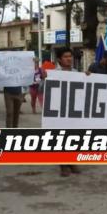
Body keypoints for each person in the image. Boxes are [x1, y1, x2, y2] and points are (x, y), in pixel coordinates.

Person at [44, 47, 81, 177]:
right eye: (65, 56)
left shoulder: (77, 72)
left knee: (73, 136)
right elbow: (45, 91)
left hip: (73, 110)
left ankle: (72, 161)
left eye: (70, 56)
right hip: (59, 111)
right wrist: (45, 79)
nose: (69, 59)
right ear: (59, 59)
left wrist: (88, 77)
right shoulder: (53, 73)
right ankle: (63, 165)